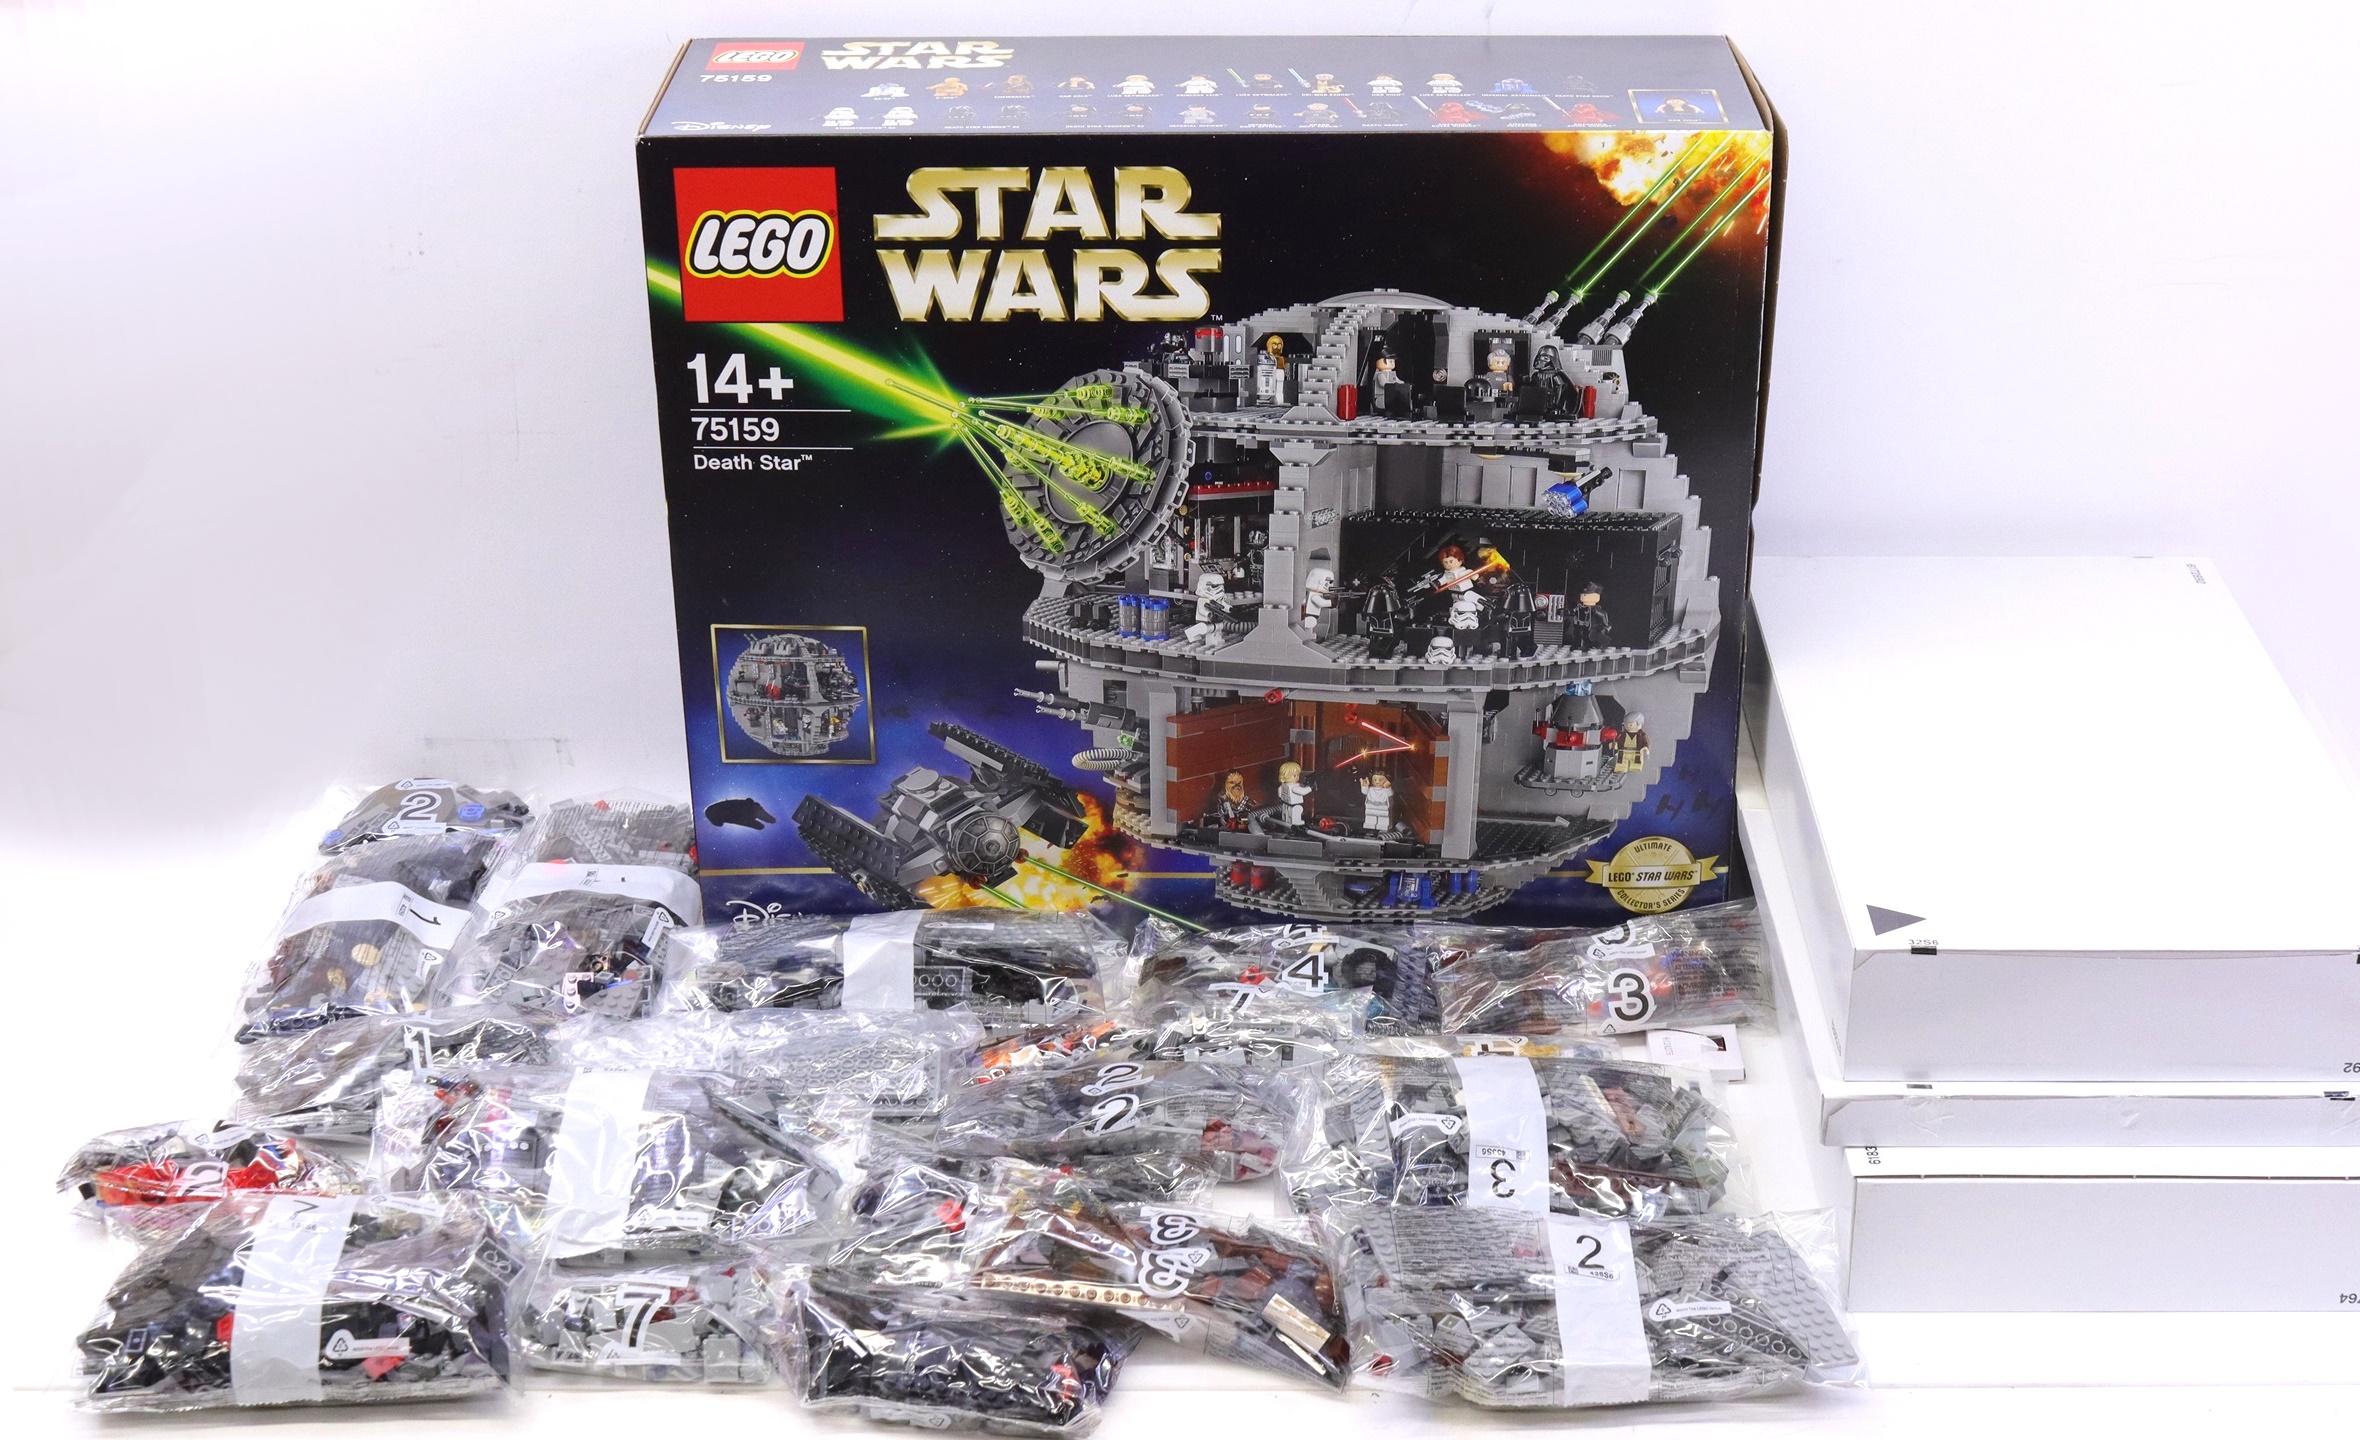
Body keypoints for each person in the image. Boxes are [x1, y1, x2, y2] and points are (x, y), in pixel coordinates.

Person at [1565, 580, 1612, 650]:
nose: (1585, 590)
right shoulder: (1580, 607)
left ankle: (1597, 644)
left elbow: (1606, 624)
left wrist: (1604, 630)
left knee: (1589, 636)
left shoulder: (1598, 611)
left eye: (1589, 590)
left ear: (1596, 597)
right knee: (1578, 635)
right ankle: (1579, 645)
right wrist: (1566, 612)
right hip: (1580, 628)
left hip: (1591, 631)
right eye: (1585, 591)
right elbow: (1573, 612)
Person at [1276, 761, 1312, 828]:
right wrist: (1311, 787)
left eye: (1298, 775)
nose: (1297, 777)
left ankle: (1286, 823)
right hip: (1295, 806)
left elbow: (1279, 793)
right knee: (1295, 815)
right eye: (1294, 775)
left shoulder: (1283, 786)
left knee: (1286, 815)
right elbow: (1303, 792)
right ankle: (1296, 825)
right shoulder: (1294, 788)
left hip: (1285, 804)